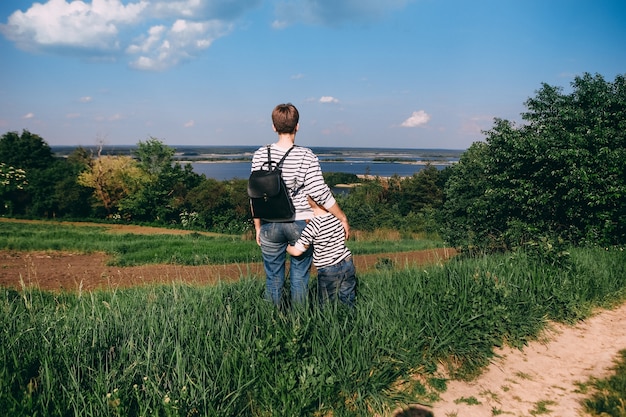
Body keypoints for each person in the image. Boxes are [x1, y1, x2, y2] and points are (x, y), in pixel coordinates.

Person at [251, 103, 349, 308]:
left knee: (273, 279)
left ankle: (273, 323)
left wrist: (258, 227)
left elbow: (256, 194)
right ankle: (299, 323)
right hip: (301, 224)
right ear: (297, 126)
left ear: (273, 127)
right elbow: (320, 192)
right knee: (299, 279)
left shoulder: (260, 154)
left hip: (269, 223)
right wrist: (341, 217)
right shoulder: (306, 156)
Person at [287, 196, 356, 307]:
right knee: (347, 296)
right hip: (347, 262)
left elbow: (297, 252)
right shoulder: (336, 217)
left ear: (308, 205)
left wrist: (285, 246)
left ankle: (328, 321)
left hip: (328, 268)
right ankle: (350, 317)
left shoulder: (312, 227)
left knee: (326, 302)